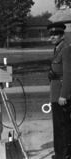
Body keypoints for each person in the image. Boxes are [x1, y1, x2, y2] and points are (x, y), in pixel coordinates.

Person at [47, 22, 71, 159]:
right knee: (59, 124)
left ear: (62, 35)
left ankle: (63, 155)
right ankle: (61, 153)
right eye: (51, 35)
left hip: (61, 94)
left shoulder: (66, 49)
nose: (52, 37)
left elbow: (68, 74)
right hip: (55, 91)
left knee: (62, 125)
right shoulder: (58, 48)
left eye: (55, 34)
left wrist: (64, 95)